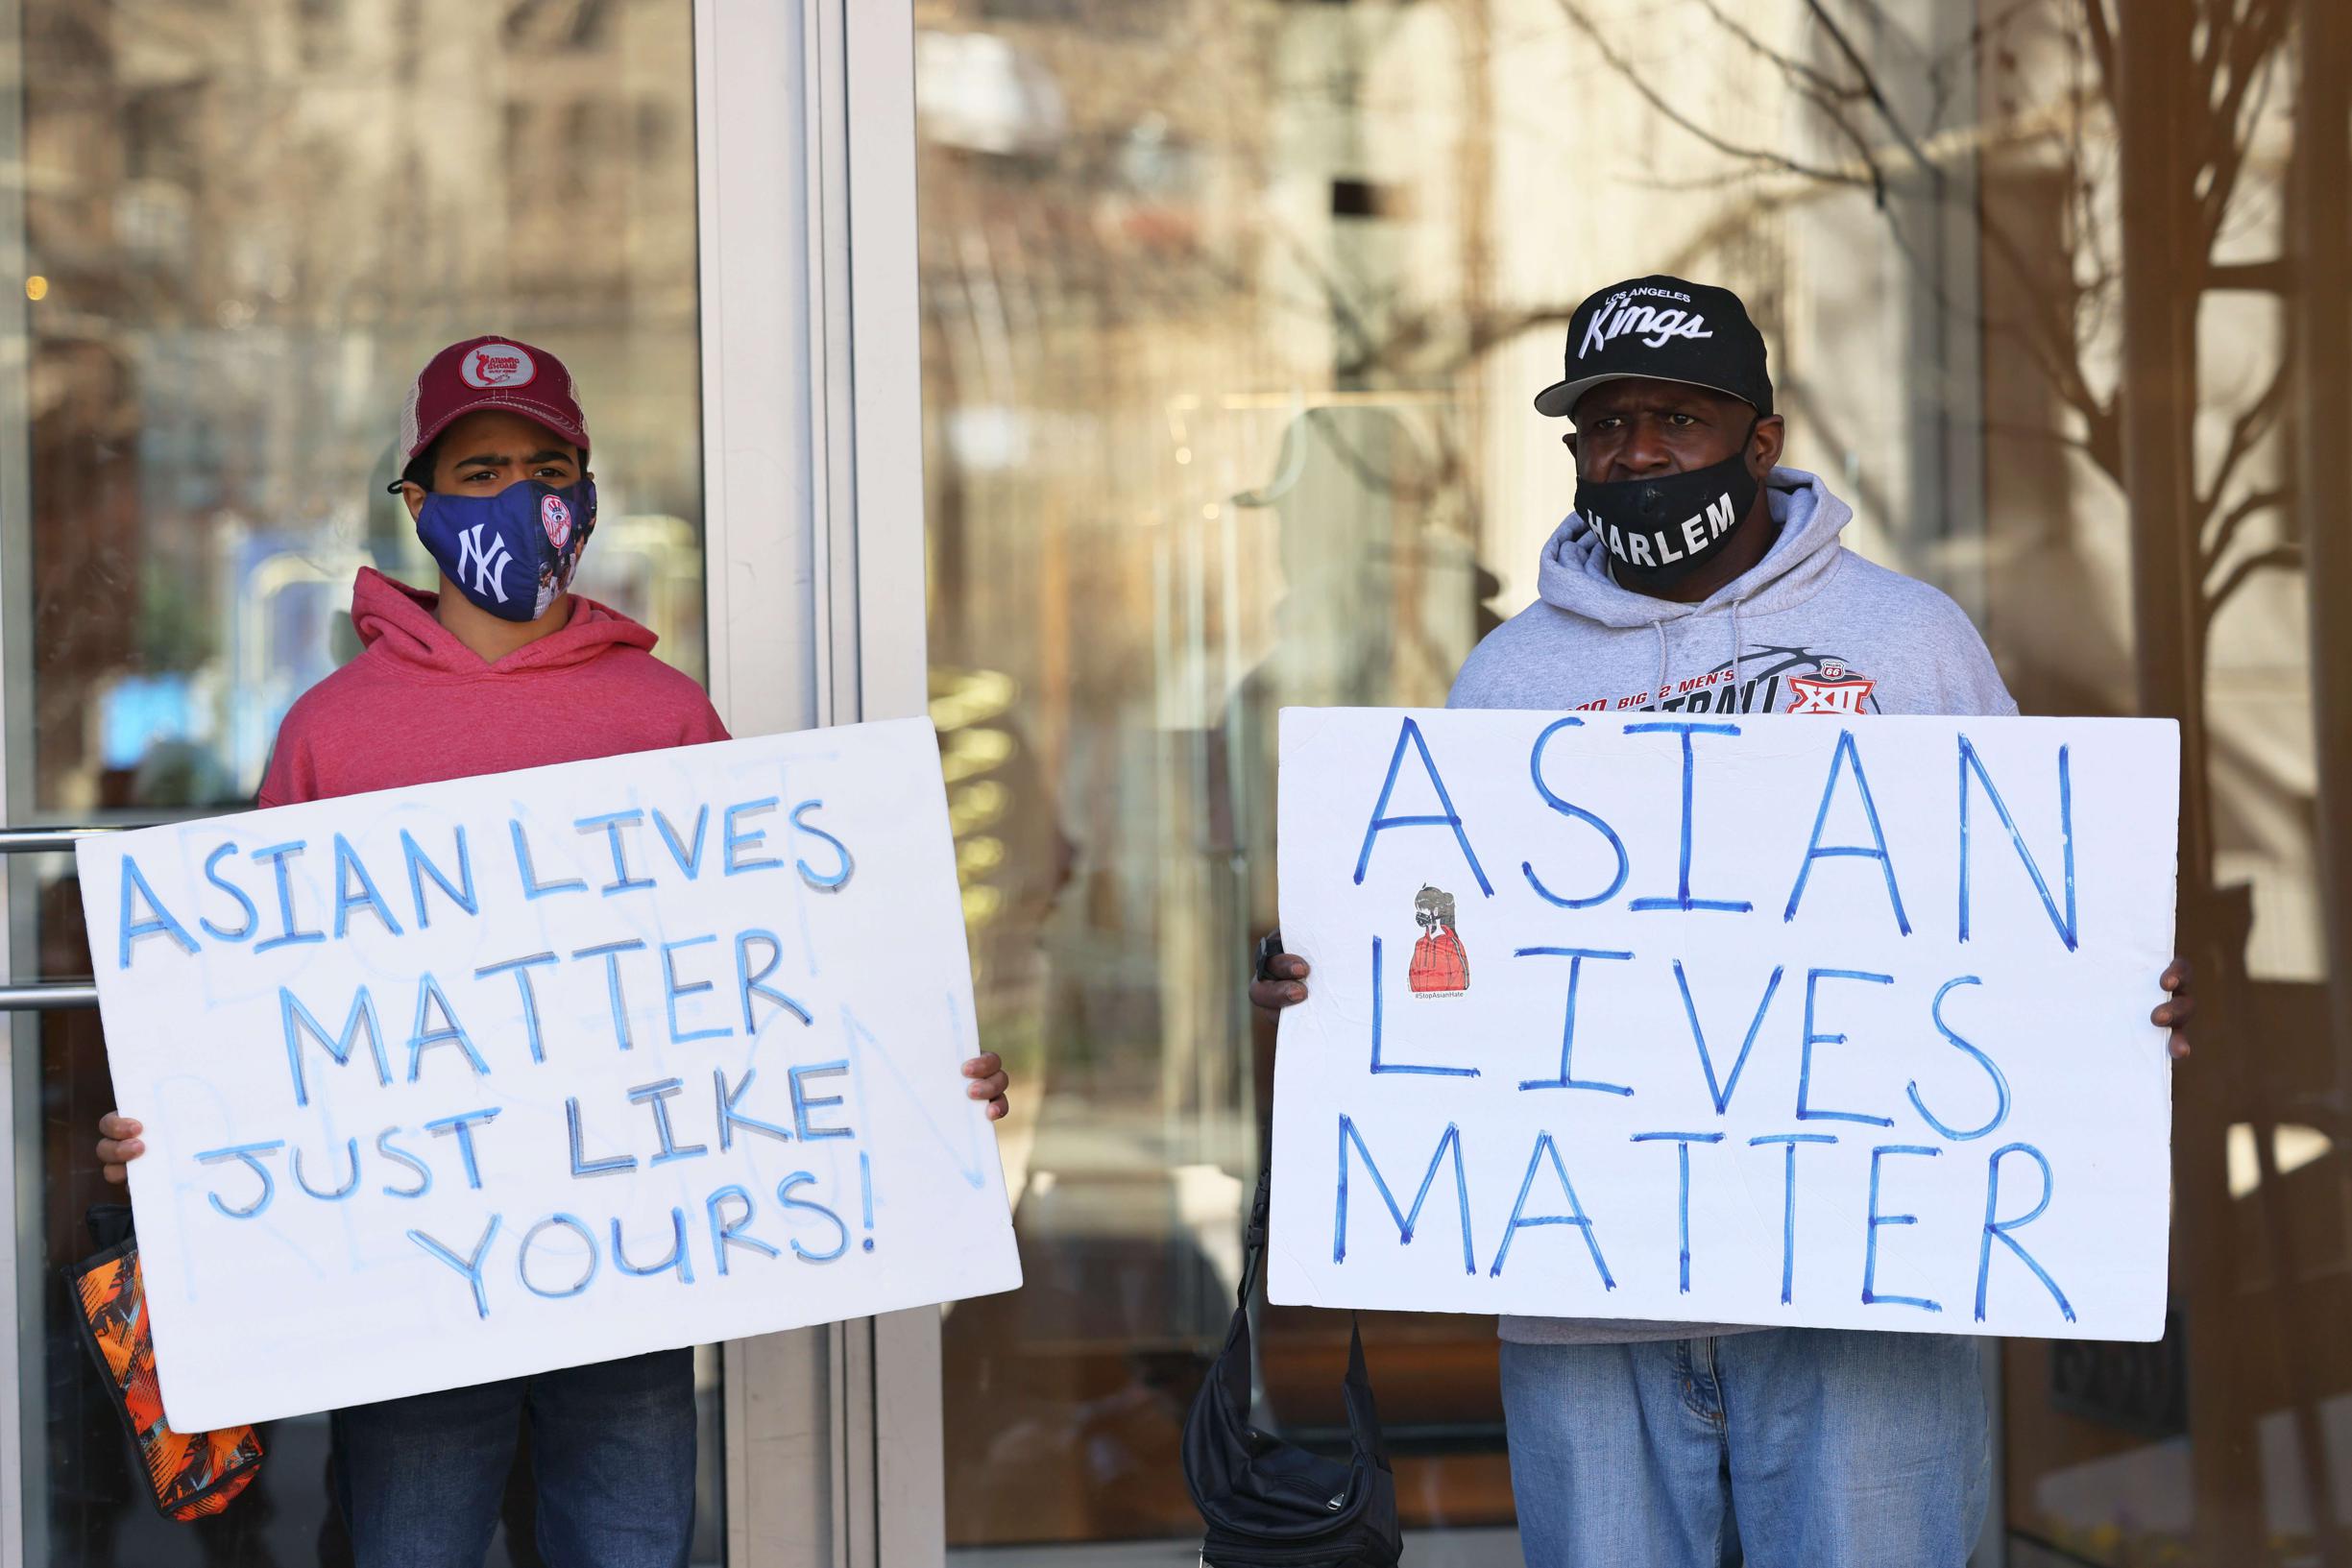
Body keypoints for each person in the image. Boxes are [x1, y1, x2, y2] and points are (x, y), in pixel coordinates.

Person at [1249, 277, 2194, 1567]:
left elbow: (2017, 904)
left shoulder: (1910, 644)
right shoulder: (1510, 678)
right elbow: (1448, 924)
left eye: (1675, 420)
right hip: (1588, 1301)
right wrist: (1341, 990)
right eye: (1604, 425)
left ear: (1761, 439)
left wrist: (2110, 1003)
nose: (1634, 452)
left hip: (1870, 1294)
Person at [92, 335, 1014, 1568]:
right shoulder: (332, 732)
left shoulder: (665, 713)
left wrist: (917, 1076)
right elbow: (259, 1003)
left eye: (545, 463)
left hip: (633, 1260)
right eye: (477, 471)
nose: (516, 495)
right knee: (413, 1542)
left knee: (627, 1543)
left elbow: (776, 965)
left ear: (585, 491)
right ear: (417, 503)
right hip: (413, 1274)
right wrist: (174, 1129)